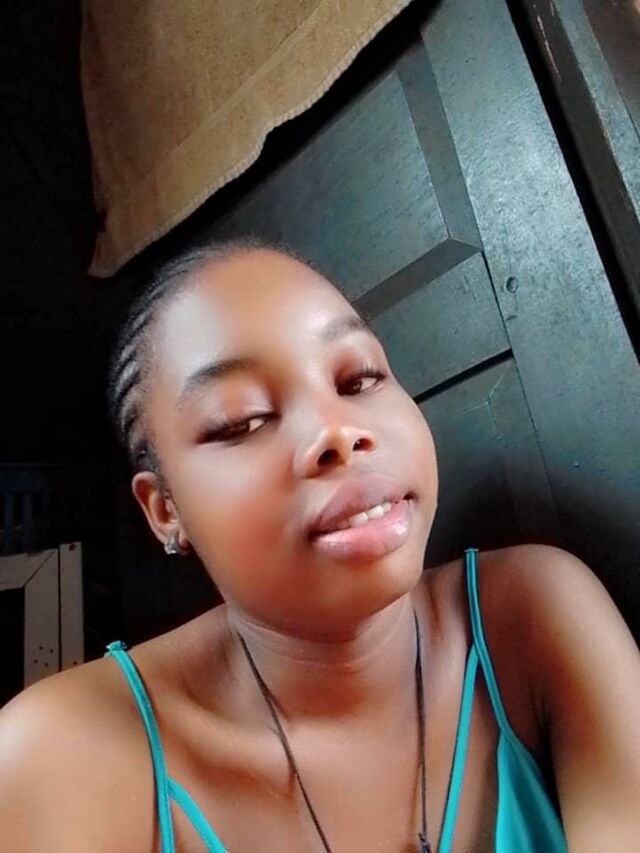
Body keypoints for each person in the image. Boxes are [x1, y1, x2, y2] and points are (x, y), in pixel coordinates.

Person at [1, 239, 639, 852]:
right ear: (166, 510)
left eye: (359, 379)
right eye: (243, 420)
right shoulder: (59, 757)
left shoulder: (531, 615)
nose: (337, 430)